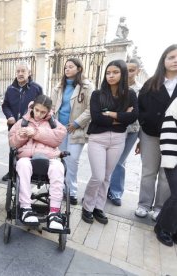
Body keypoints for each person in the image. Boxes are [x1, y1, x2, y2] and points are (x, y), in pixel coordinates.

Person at [82, 60, 138, 225]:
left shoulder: (130, 94)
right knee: (98, 176)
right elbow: (97, 117)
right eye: (108, 73)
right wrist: (121, 116)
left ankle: (99, 207)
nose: (111, 76)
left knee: (107, 176)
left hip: (118, 139)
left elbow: (133, 117)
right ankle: (87, 205)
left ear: (123, 74)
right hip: (98, 138)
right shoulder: (97, 94)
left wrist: (111, 114)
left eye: (115, 72)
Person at [9, 95, 67, 230]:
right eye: (37, 110)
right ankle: (25, 208)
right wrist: (21, 136)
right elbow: (12, 142)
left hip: (49, 157)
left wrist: (35, 132)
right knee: (22, 164)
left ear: (48, 112)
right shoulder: (22, 122)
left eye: (43, 112)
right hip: (27, 157)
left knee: (58, 167)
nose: (39, 114)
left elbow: (58, 138)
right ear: (32, 107)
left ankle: (54, 212)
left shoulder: (54, 123)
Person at [135, 45, 177, 221]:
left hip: (173, 137)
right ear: (163, 61)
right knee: (148, 172)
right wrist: (145, 124)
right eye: (171, 57)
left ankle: (160, 207)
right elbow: (140, 106)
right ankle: (144, 204)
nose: (175, 60)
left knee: (167, 174)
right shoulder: (151, 83)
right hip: (151, 135)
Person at [51, 58, 95, 205]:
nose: (67, 69)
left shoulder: (88, 87)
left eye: (70, 67)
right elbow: (52, 106)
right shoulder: (58, 86)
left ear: (79, 69)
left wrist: (76, 123)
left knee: (73, 160)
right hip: (60, 128)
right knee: (61, 159)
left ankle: (72, 192)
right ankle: (61, 189)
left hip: (76, 129)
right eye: (65, 67)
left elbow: (91, 108)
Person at [108, 59, 142, 206]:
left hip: (131, 130)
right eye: (126, 70)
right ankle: (103, 188)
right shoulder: (113, 87)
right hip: (113, 128)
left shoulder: (142, 89)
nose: (128, 73)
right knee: (108, 160)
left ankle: (115, 192)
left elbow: (139, 114)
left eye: (132, 70)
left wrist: (141, 138)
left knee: (119, 161)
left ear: (138, 71)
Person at [1, 62, 43, 181]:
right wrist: (9, 116)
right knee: (13, 149)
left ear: (29, 73)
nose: (20, 74)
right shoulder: (10, 89)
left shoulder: (36, 88)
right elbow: (5, 105)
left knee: (27, 149)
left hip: (29, 125)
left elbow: (41, 106)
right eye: (18, 71)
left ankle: (27, 172)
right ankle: (11, 172)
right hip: (13, 125)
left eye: (23, 71)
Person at [154, 97, 177, 246]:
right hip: (173, 155)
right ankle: (164, 227)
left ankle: (171, 228)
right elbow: (168, 130)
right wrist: (169, 158)